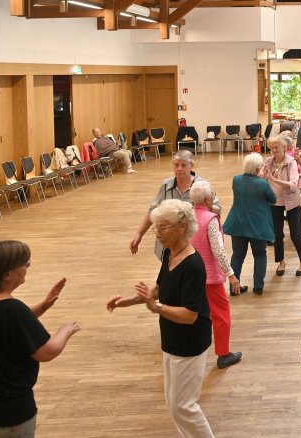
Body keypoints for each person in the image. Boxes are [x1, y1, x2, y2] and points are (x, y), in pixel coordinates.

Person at [107, 199, 215, 438]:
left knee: (183, 406)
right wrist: (128, 301)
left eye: (162, 227)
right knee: (173, 403)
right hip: (171, 338)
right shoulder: (169, 253)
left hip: (190, 343)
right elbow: (158, 289)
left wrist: (155, 307)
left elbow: (189, 315)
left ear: (182, 227)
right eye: (156, 227)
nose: (157, 234)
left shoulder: (194, 265)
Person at [0, 240, 81, 437]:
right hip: (10, 414)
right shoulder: (12, 309)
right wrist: (66, 330)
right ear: (7, 274)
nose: (28, 266)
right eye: (25, 263)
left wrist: (42, 306)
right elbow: (47, 351)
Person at [189, 181, 243, 369]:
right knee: (221, 315)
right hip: (210, 277)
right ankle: (223, 353)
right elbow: (218, 250)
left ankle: (193, 351)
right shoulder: (210, 219)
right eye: (212, 194)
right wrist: (231, 274)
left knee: (195, 314)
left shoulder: (187, 217)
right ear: (207, 199)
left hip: (190, 275)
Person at [129, 150, 219, 258]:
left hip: (193, 244)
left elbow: (217, 209)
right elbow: (153, 210)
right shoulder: (166, 185)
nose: (179, 168)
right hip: (168, 244)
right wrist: (139, 234)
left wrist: (206, 206)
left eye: (183, 165)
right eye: (176, 165)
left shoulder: (202, 185)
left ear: (191, 165)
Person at [223, 153, 277, 295]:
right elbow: (273, 199)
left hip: (238, 223)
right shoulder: (263, 184)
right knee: (259, 254)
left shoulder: (236, 180)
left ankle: (234, 288)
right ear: (259, 168)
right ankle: (258, 286)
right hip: (257, 226)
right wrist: (265, 181)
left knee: (238, 255)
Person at [260, 136, 301, 278]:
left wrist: (276, 180)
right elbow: (262, 179)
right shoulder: (268, 162)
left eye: (276, 147)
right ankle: (281, 261)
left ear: (284, 148)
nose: (274, 150)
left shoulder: (291, 162)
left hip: (291, 201)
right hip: (274, 202)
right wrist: (262, 176)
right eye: (271, 148)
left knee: (295, 234)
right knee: (277, 235)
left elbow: (294, 184)